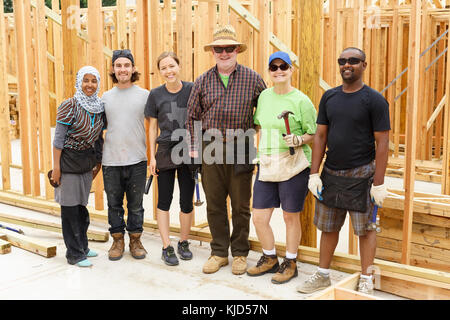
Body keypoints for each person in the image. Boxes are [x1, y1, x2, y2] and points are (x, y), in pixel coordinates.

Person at [296, 47, 390, 295]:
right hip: (332, 174)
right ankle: (322, 275)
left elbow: (383, 142)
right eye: (342, 61)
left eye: (354, 61)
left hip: (363, 175)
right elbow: (320, 135)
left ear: (364, 65)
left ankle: (367, 279)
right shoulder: (329, 97)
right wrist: (314, 173)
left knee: (366, 230)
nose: (347, 65)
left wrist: (378, 182)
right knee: (328, 228)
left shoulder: (375, 100)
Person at [186, 24, 266, 275]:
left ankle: (240, 253)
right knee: (215, 202)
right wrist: (194, 148)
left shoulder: (253, 79)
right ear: (213, 52)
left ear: (236, 51)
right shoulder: (203, 80)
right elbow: (191, 117)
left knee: (241, 204)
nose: (224, 53)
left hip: (241, 146)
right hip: (211, 148)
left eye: (229, 48)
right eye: (219, 49)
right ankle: (219, 252)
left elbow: (264, 111)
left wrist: (253, 136)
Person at [246, 51, 317, 284]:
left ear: (291, 69)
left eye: (283, 66)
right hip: (267, 163)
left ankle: (291, 262)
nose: (279, 71)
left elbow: (315, 134)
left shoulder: (301, 101)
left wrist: (299, 139)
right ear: (269, 71)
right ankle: (269, 258)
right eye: (274, 67)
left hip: (293, 164)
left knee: (290, 216)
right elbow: (258, 125)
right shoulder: (264, 97)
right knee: (259, 217)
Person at [51, 66, 105, 267]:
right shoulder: (69, 106)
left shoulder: (99, 107)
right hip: (68, 162)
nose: (89, 85)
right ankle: (73, 254)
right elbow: (58, 140)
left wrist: (97, 162)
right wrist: (56, 168)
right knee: (70, 209)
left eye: (93, 81)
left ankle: (83, 246)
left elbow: (99, 137)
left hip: (86, 162)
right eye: (86, 80)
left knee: (82, 208)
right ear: (78, 82)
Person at [145, 52, 195, 266]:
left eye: (172, 66)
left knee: (186, 200)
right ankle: (167, 246)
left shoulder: (192, 89)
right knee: (164, 200)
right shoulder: (155, 94)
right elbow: (152, 127)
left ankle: (184, 242)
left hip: (187, 149)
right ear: (160, 71)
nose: (169, 71)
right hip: (165, 149)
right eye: (164, 68)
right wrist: (151, 157)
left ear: (179, 66)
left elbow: (198, 118)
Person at [101, 49, 150, 261]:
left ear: (133, 68)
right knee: (114, 203)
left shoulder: (145, 95)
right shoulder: (105, 98)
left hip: (137, 159)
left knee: (136, 204)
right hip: (111, 160)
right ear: (113, 69)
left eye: (126, 65)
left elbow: (157, 126)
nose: (123, 69)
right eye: (118, 66)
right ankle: (118, 240)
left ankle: (136, 240)